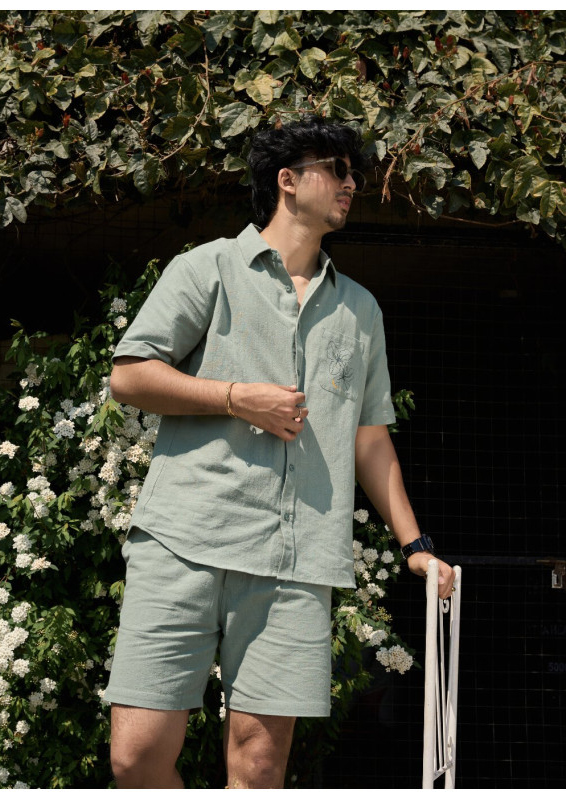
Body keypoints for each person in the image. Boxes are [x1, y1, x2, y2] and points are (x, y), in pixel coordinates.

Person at [104, 115, 455, 789]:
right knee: (136, 757)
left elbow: (369, 437)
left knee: (260, 768)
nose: (352, 183)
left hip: (296, 561)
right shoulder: (206, 268)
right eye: (338, 169)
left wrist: (415, 546)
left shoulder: (360, 310)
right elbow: (130, 376)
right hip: (184, 541)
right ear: (288, 181)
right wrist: (235, 397)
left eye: (354, 173)